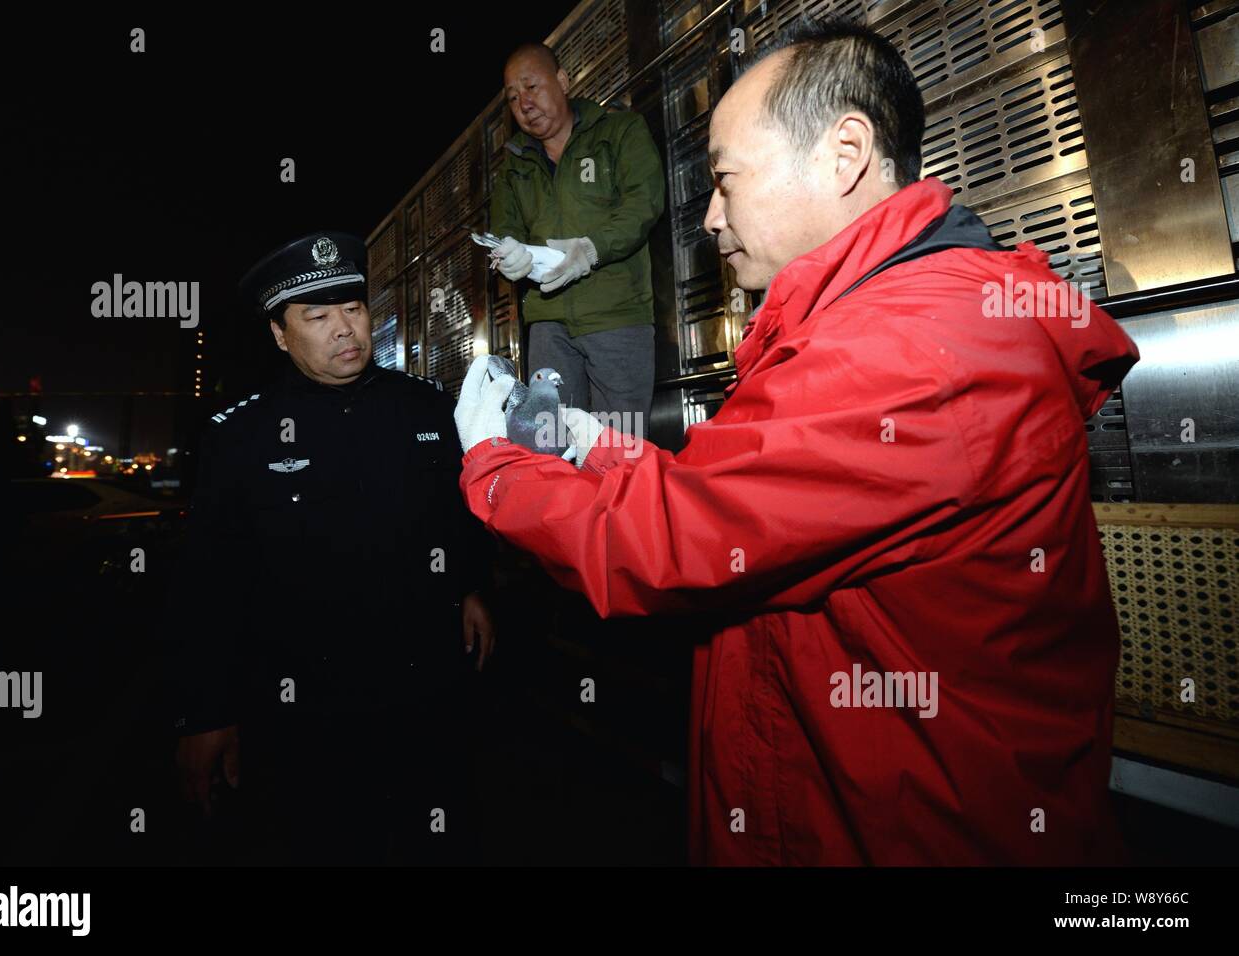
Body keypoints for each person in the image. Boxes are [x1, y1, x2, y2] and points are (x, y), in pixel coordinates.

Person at [452, 19, 1139, 865]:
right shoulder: (881, 322)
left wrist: (494, 469)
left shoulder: (907, 348)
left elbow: (677, 538)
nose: (708, 217)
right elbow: (744, 492)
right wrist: (592, 443)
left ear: (843, 154)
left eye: (725, 181)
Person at [171, 232, 496, 865]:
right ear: (279, 334)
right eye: (318, 317)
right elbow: (208, 580)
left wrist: (471, 587)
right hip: (306, 713)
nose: (344, 329)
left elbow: (454, 518)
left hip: (425, 696)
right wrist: (205, 713)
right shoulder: (241, 434)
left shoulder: (424, 406)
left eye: (353, 309)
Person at [488, 41, 665, 441]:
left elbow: (644, 203)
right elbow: (505, 230)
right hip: (547, 323)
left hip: (617, 319)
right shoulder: (515, 166)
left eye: (531, 87)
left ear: (563, 81)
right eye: (514, 98)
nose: (524, 103)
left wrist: (592, 248)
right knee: (549, 443)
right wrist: (509, 254)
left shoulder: (619, 131)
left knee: (621, 445)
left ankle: (624, 504)